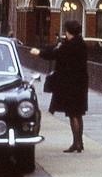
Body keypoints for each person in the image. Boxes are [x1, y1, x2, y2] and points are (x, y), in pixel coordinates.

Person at [30, 19, 88, 153]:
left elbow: (53, 54)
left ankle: (76, 143)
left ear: (68, 31)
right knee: (78, 113)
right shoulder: (81, 44)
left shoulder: (69, 46)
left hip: (70, 84)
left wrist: (38, 52)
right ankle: (79, 142)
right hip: (81, 83)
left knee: (73, 114)